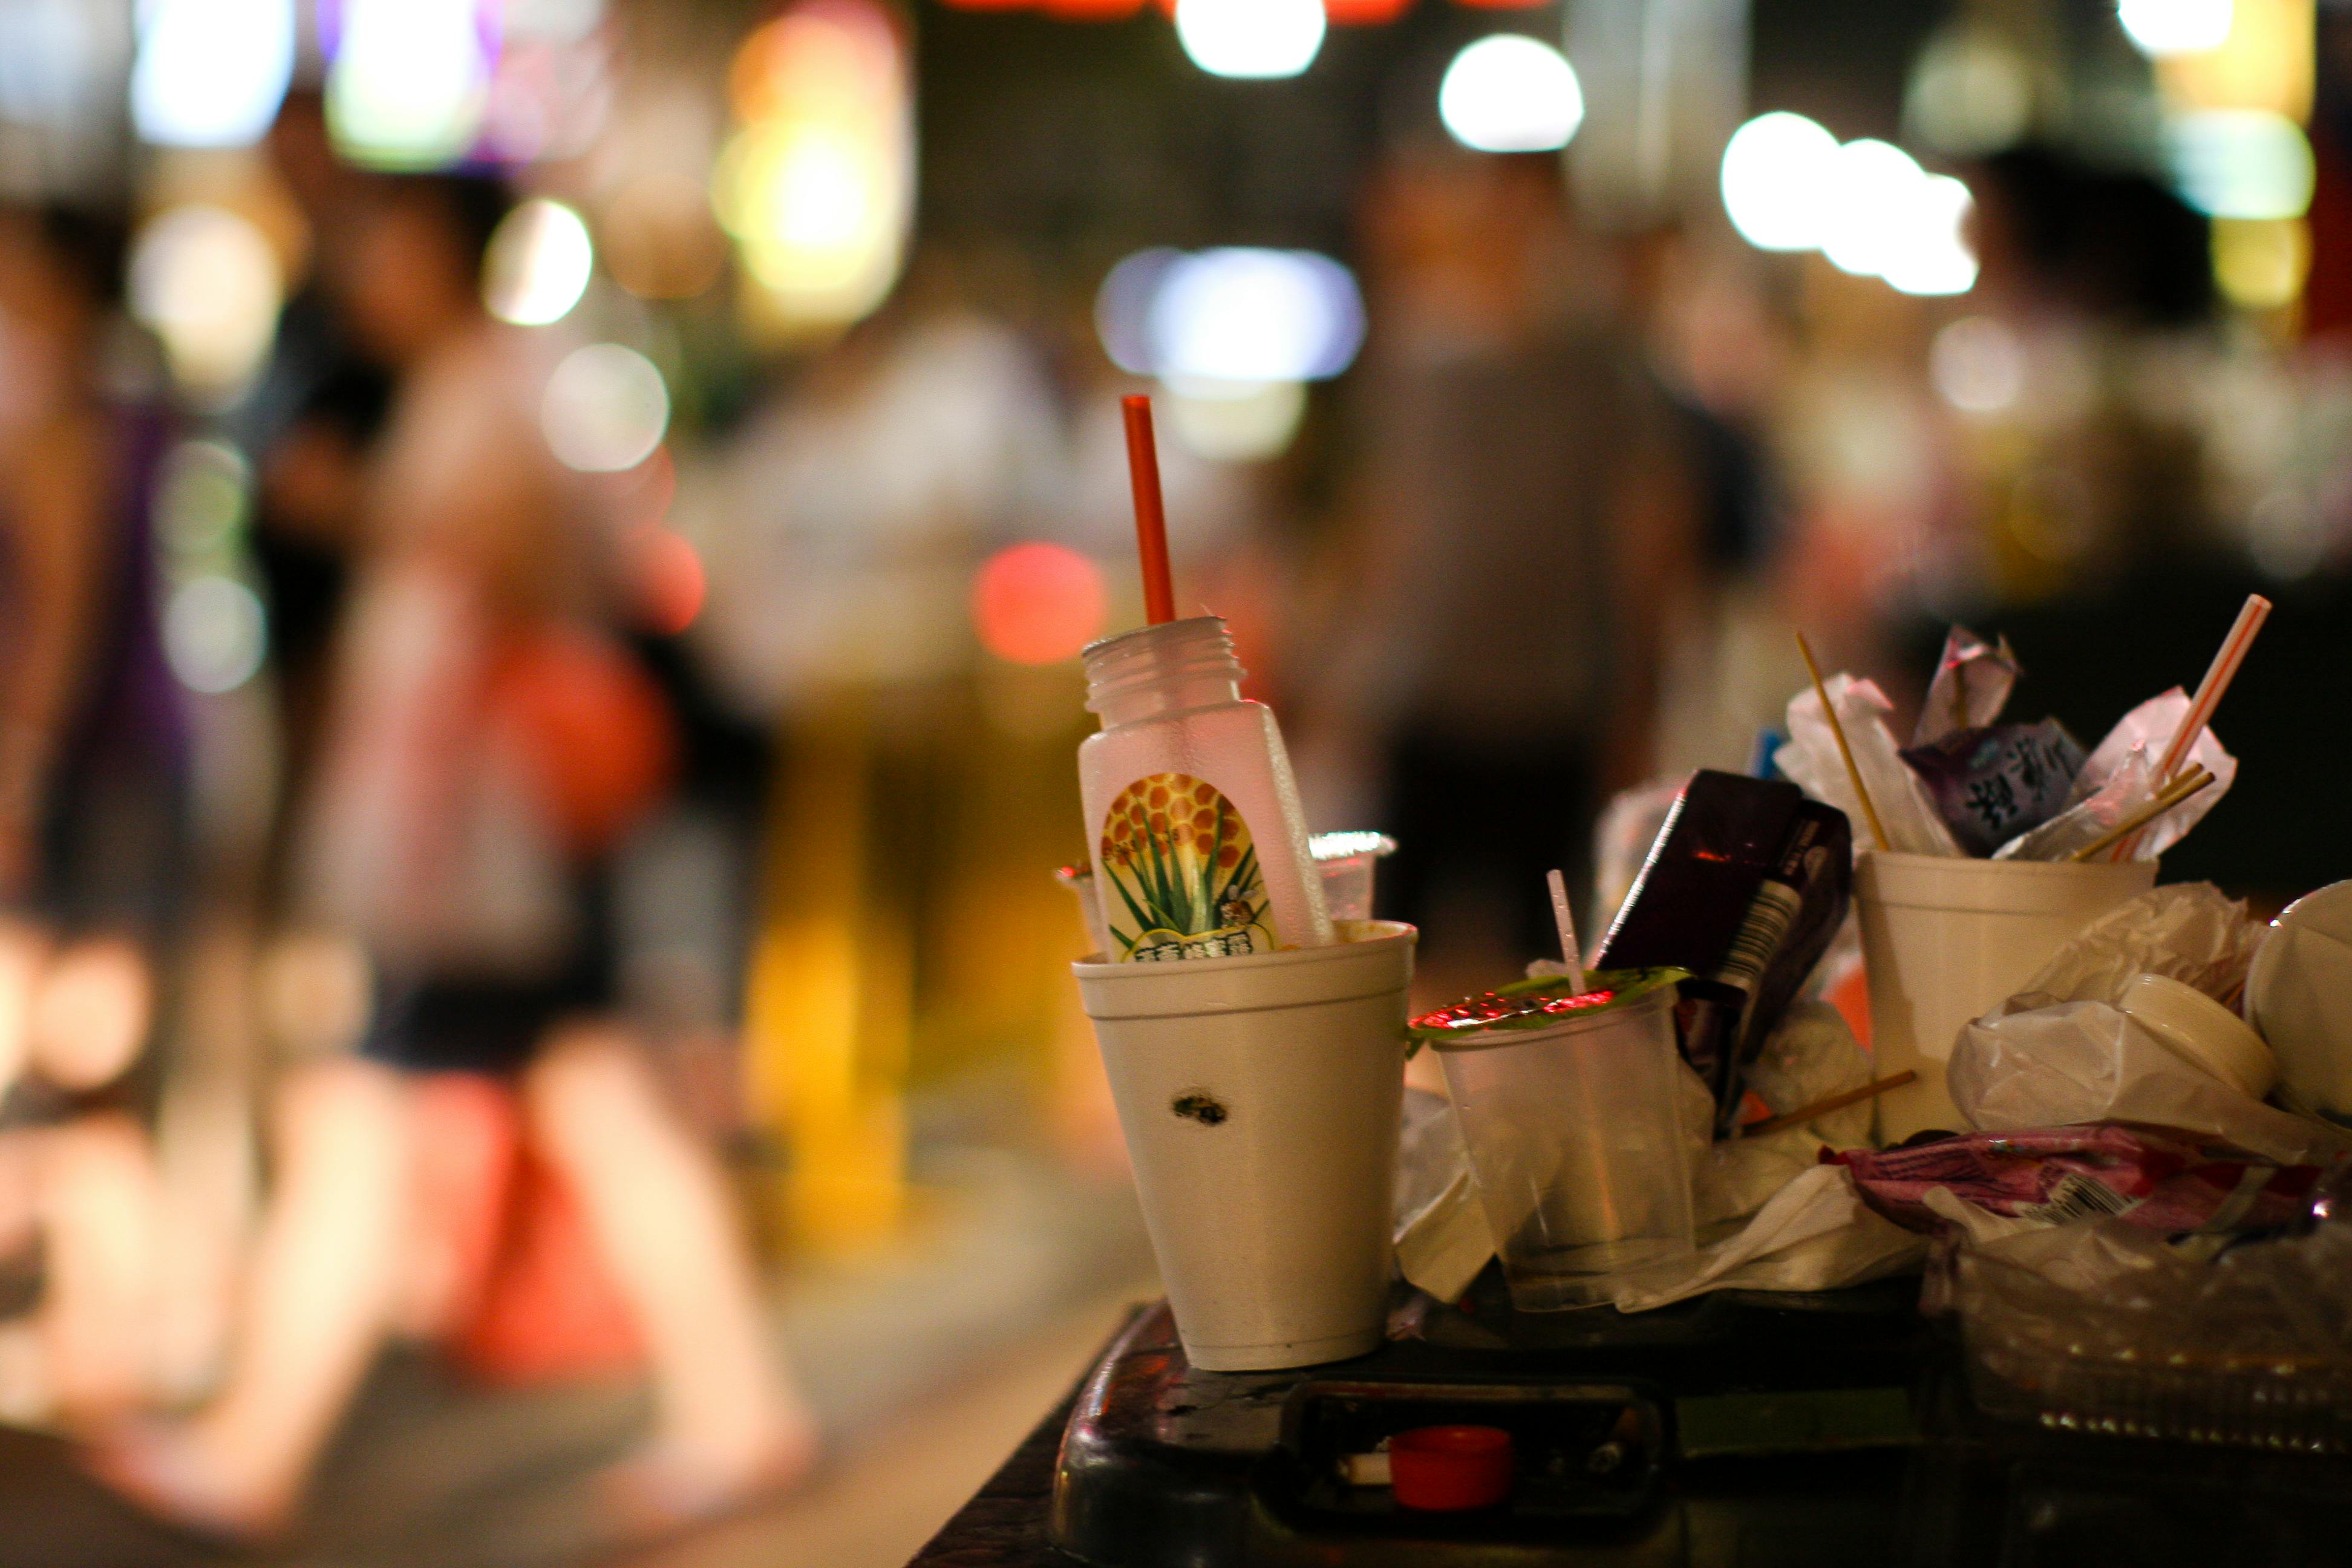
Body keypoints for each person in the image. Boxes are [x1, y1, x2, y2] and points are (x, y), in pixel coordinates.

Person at [91, 174, 815, 1540]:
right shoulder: (482, 390)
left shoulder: (493, 393)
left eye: (386, 246)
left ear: (445, 258)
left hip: (486, 852)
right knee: (571, 1115)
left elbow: (517, 578)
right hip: (485, 853)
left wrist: (355, 515)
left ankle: (260, 1451)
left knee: (382, 1126)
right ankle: (735, 1406)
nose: (365, 271)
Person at [1303, 148, 1702, 998]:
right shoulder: (1416, 351)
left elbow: (1649, 528)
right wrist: (1344, 670)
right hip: (1425, 692)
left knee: (1542, 968)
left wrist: (1638, 693)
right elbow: (1383, 517)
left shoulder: (1597, 361)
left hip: (1549, 703)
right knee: (1395, 958)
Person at [0, 204, 186, 1431]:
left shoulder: (68, 419)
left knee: (71, 1056)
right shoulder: (106, 408)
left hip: (93, 780)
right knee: (83, 1074)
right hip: (117, 773)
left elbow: (61, 621)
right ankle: (108, 1345)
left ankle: (140, 1332)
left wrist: (19, 771)